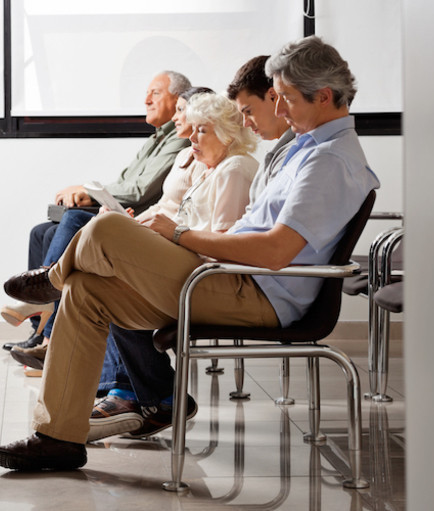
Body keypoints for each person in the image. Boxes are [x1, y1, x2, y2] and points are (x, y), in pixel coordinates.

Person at [0, 36, 379, 472]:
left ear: (323, 96)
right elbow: (257, 233)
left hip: (255, 294)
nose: (279, 110)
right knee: (86, 288)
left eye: (285, 99)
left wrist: (183, 235)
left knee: (107, 227)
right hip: (229, 277)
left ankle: (50, 282)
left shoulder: (329, 161)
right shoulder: (301, 149)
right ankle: (57, 436)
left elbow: (274, 250)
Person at [88, 55, 298, 441]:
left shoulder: (236, 169)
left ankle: (141, 392)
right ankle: (133, 391)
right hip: (203, 264)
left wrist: (168, 236)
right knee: (105, 258)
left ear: (227, 132)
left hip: (215, 273)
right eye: (193, 129)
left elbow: (222, 243)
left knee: (108, 257)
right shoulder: (214, 167)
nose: (191, 138)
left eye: (202, 130)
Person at [10, 86, 215, 370]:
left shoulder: (193, 153)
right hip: (152, 222)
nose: (147, 101)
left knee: (77, 224)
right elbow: (160, 201)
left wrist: (105, 202)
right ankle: (44, 329)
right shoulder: (176, 150)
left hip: (168, 237)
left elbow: (153, 196)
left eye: (157, 94)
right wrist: (128, 215)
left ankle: (48, 315)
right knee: (44, 231)